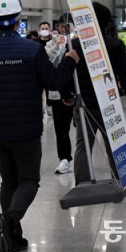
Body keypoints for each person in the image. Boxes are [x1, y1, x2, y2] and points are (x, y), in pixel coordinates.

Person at [0, 0, 79, 252]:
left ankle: (13, 237)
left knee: (9, 180)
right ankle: (10, 219)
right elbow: (53, 82)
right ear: (18, 19)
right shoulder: (32, 50)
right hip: (26, 127)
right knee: (28, 180)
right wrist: (69, 62)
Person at [64, 2, 126, 186]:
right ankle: (120, 181)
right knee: (114, 143)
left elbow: (67, 72)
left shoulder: (74, 44)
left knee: (83, 145)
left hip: (83, 103)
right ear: (107, 23)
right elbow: (125, 74)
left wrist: (66, 94)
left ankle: (82, 184)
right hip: (109, 102)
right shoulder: (115, 45)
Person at [45, 16, 74, 174]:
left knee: (85, 128)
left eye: (67, 26)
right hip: (57, 93)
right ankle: (65, 158)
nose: (64, 29)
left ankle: (86, 157)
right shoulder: (51, 43)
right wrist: (57, 45)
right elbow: (46, 60)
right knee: (61, 128)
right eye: (62, 26)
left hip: (76, 92)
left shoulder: (77, 43)